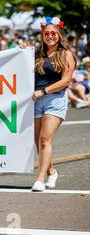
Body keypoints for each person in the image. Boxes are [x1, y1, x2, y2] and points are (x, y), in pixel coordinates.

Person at [21, 17, 76, 192]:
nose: (50, 36)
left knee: (45, 139)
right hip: (36, 101)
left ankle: (40, 178)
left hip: (55, 99)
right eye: (47, 33)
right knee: (38, 141)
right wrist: (22, 52)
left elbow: (66, 81)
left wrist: (44, 91)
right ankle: (51, 171)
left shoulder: (66, 54)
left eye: (53, 33)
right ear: (42, 35)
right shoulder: (37, 53)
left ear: (59, 35)